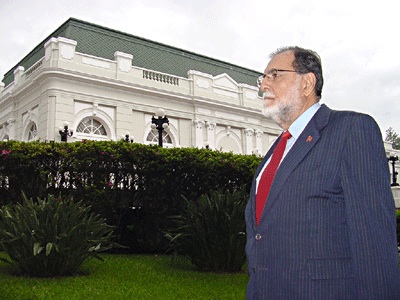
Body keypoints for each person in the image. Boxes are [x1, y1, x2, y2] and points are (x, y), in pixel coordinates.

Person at [245, 46, 400, 299]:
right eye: (263, 78)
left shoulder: (351, 131)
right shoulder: (276, 152)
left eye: (274, 75)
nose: (264, 85)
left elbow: (374, 245)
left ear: (307, 83)